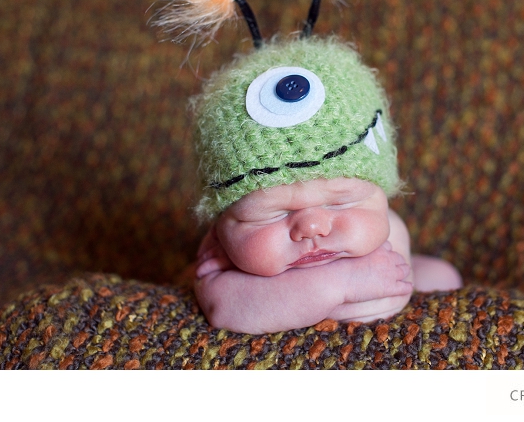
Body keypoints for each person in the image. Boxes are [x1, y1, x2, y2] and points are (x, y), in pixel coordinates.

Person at [190, 38, 462, 334]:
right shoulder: (219, 253)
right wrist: (340, 286)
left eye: (340, 202)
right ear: (221, 222)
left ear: (381, 193)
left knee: (441, 275)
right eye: (273, 213)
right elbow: (228, 311)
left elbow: (381, 302)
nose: (312, 227)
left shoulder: (390, 231)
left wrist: (276, 298)